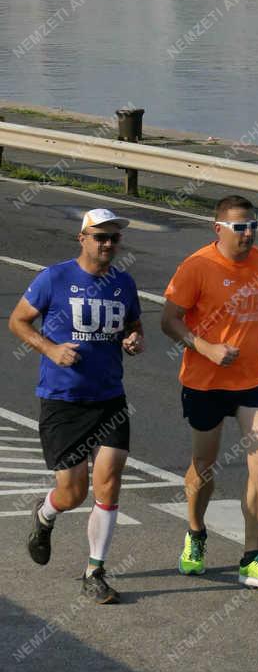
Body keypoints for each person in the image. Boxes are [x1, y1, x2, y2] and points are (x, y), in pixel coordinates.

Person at [7, 208, 143, 604]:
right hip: (63, 401)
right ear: (81, 238)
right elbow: (17, 321)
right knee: (72, 493)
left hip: (109, 398)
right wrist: (50, 349)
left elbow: (134, 325)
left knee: (111, 479)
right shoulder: (54, 278)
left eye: (114, 238)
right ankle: (45, 514)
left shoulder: (123, 283)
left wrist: (133, 340)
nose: (107, 244)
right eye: (100, 237)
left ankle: (94, 571)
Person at [160, 195, 258, 591]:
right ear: (218, 229)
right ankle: (196, 532)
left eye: (253, 226)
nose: (248, 234)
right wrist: (206, 348)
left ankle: (253, 557)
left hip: (255, 378)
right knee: (204, 466)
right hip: (205, 381)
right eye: (240, 227)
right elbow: (169, 320)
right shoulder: (197, 266)